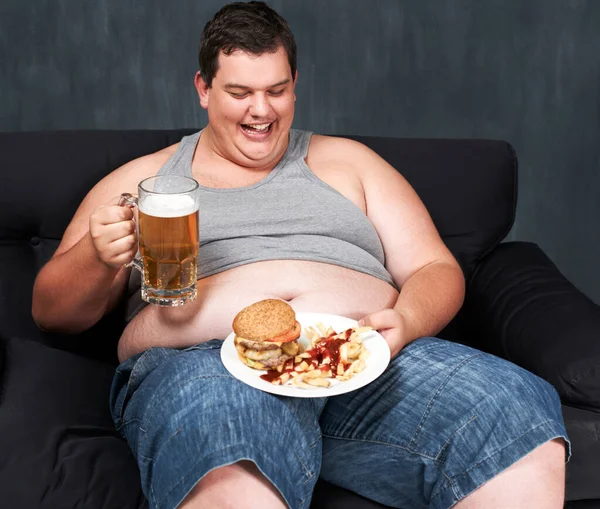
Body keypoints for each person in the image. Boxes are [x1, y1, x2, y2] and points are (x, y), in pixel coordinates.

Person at [31, 2, 569, 508]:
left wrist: (408, 319)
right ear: (203, 88)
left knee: (514, 408)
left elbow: (434, 267)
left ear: (295, 87)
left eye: (277, 90)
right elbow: (52, 313)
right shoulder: (145, 182)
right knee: (230, 441)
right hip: (205, 365)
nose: (261, 111)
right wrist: (98, 258)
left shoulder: (350, 161)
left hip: (360, 363)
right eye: (240, 92)